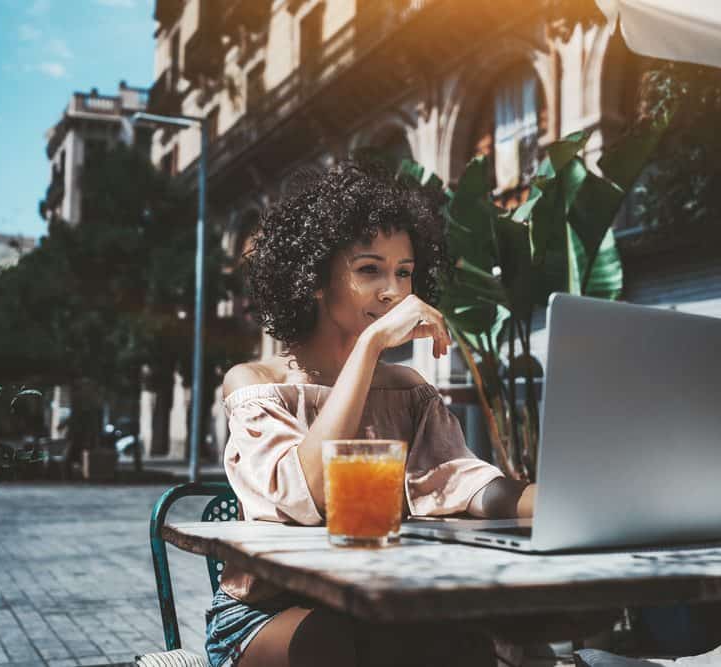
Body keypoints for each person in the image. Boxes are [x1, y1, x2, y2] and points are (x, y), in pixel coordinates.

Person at [205, 159, 535, 667]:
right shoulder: (257, 384)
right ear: (314, 278)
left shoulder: (409, 392)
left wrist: (571, 503)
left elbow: (471, 486)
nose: (395, 292)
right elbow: (309, 494)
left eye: (404, 273)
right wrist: (372, 343)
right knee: (345, 642)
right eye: (369, 270)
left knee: (461, 640)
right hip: (274, 617)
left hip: (381, 606)